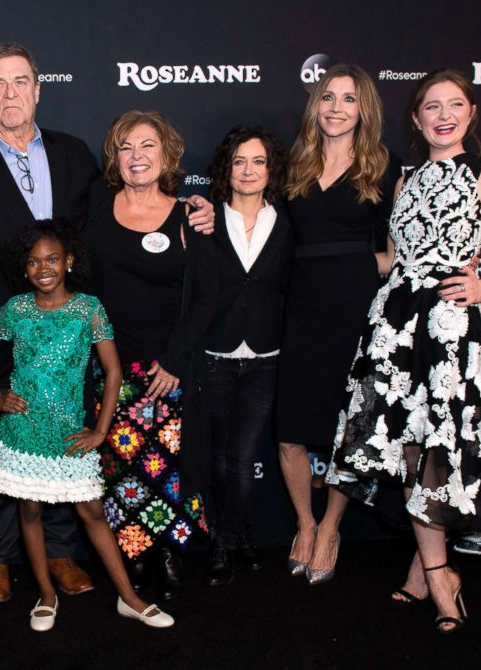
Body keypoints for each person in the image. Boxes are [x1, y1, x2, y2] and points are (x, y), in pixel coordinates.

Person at [0, 43, 213, 603]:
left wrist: (192, 207)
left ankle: (60, 553)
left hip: (70, 340)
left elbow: (126, 210)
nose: (10, 94)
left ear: (38, 89)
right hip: (5, 334)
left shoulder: (74, 155)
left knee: (66, 443)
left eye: (20, 82)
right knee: (2, 444)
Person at [326, 69, 481, 633]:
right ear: (416, 118)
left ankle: (438, 577)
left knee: (440, 445)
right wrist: (321, 258)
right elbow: (393, 261)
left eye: (455, 105)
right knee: (409, 448)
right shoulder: (404, 179)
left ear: (471, 115)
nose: (444, 115)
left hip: (449, 328)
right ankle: (425, 571)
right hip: (396, 325)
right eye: (432, 106)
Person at [0, 219, 174, 631]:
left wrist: (99, 431)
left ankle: (130, 599)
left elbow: (113, 372)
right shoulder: (16, 309)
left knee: (92, 512)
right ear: (23, 268)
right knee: (29, 510)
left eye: (51, 259)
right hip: (23, 432)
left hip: (69, 433)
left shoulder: (89, 308)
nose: (42, 268)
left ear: (68, 262)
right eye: (33, 262)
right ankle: (46, 596)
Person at [275, 64, 400, 584]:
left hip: (356, 311)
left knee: (349, 431)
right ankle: (304, 523)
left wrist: (354, 266)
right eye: (328, 98)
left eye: (348, 100)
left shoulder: (384, 167)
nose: (336, 108)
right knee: (290, 433)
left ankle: (330, 528)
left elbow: (397, 252)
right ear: (315, 105)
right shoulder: (293, 165)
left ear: (363, 109)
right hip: (299, 308)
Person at [86, 110, 214, 600]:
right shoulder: (96, 207)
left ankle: (167, 552)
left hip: (168, 369)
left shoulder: (188, 215)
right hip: (112, 368)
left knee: (168, 466)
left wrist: (177, 360)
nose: (137, 157)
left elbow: (206, 297)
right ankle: (132, 552)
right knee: (120, 469)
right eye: (126, 147)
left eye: (147, 147)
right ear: (115, 158)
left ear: (167, 156)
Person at [197, 127, 294, 585]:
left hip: (267, 357)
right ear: (226, 169)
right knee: (217, 457)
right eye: (239, 161)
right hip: (214, 354)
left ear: (271, 169)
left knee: (243, 454)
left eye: (258, 161)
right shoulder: (205, 218)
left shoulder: (289, 220)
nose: (249, 170)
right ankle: (236, 535)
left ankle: (226, 538)